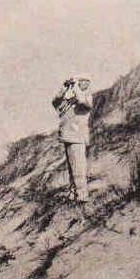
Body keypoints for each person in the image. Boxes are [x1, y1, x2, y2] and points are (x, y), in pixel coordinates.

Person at [52, 74, 93, 203]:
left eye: (85, 81)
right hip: (67, 137)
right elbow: (55, 102)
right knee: (72, 169)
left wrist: (75, 88)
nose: (82, 83)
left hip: (77, 137)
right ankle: (73, 193)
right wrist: (64, 89)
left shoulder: (86, 98)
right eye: (80, 81)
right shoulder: (71, 101)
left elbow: (82, 102)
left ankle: (82, 196)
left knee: (79, 168)